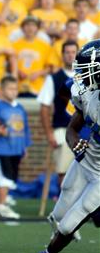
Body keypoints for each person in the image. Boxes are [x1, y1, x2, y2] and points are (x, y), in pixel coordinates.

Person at [18, 40, 100, 253]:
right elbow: (73, 126)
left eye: (88, 69)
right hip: (86, 162)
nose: (82, 75)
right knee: (59, 216)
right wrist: (76, 143)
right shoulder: (85, 92)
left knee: (69, 223)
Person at [0, 75, 31, 219]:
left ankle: (5, 201)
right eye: (10, 88)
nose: (13, 91)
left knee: (11, 177)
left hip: (15, 148)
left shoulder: (20, 107)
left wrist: (25, 147)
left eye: (16, 89)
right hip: (1, 148)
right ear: (2, 90)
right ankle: (1, 206)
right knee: (2, 177)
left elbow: (25, 128)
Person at [38, 41, 79, 187]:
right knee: (64, 171)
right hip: (62, 129)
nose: (70, 55)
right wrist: (49, 133)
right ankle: (65, 207)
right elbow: (44, 107)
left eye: (73, 52)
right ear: (62, 55)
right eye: (67, 52)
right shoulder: (53, 79)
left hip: (84, 130)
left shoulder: (86, 78)